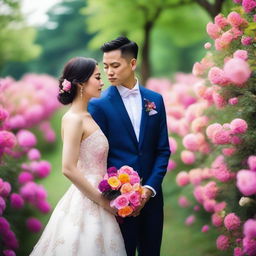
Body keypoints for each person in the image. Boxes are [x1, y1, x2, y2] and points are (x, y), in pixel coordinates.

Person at [30, 57, 127, 256]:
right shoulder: (74, 119)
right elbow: (68, 167)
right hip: (89, 197)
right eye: (98, 77)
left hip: (99, 192)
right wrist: (102, 201)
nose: (102, 82)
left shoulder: (87, 116)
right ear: (81, 83)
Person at [89, 36, 171, 256]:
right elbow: (99, 156)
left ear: (132, 63)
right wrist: (117, 191)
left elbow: (162, 150)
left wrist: (149, 188)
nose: (109, 72)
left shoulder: (155, 100)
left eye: (115, 65)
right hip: (117, 201)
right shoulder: (98, 105)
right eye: (105, 66)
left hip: (153, 200)